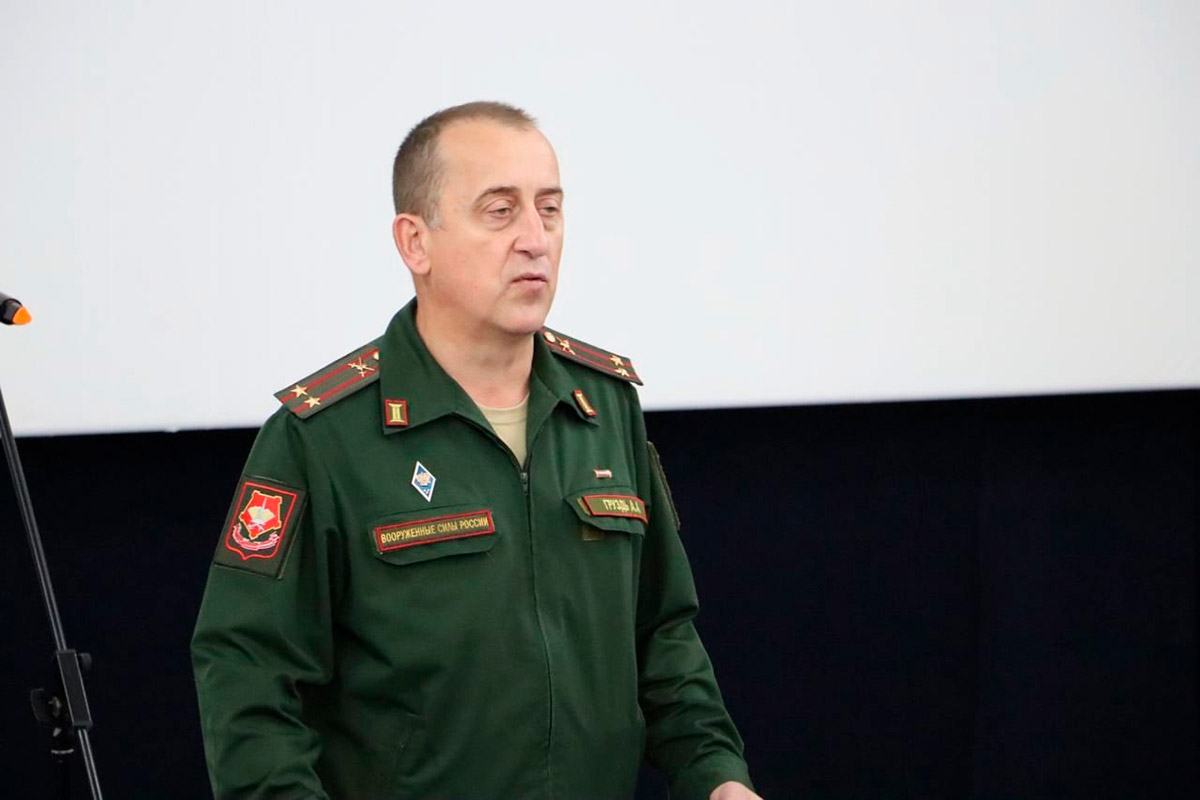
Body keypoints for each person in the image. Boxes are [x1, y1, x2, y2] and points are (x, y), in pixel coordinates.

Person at [192, 101, 759, 800]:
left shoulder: (603, 407)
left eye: (549, 209)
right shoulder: (323, 438)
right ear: (415, 243)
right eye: (500, 211)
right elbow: (249, 681)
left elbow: (663, 636)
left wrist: (716, 776)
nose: (535, 240)